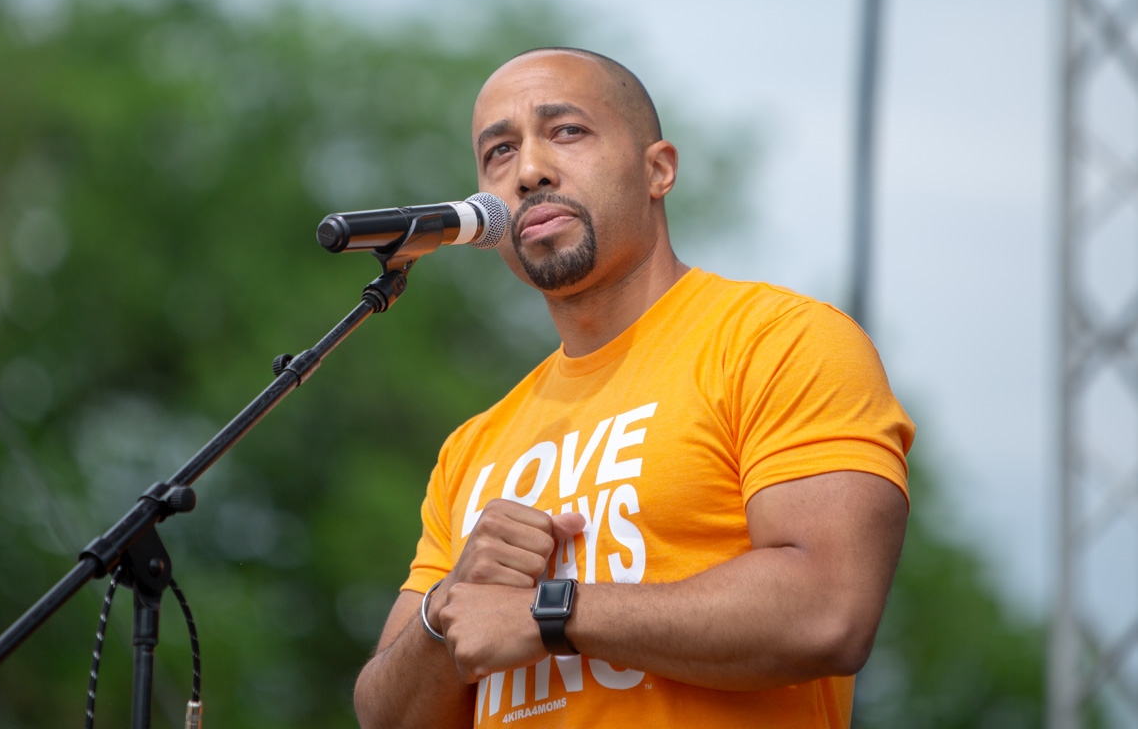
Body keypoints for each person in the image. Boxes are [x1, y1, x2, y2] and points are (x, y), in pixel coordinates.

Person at [352, 48, 914, 728]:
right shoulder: (472, 447)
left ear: (658, 169)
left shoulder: (781, 341)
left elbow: (829, 610)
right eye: (499, 152)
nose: (529, 170)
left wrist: (551, 611)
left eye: (566, 132)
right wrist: (445, 616)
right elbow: (386, 717)